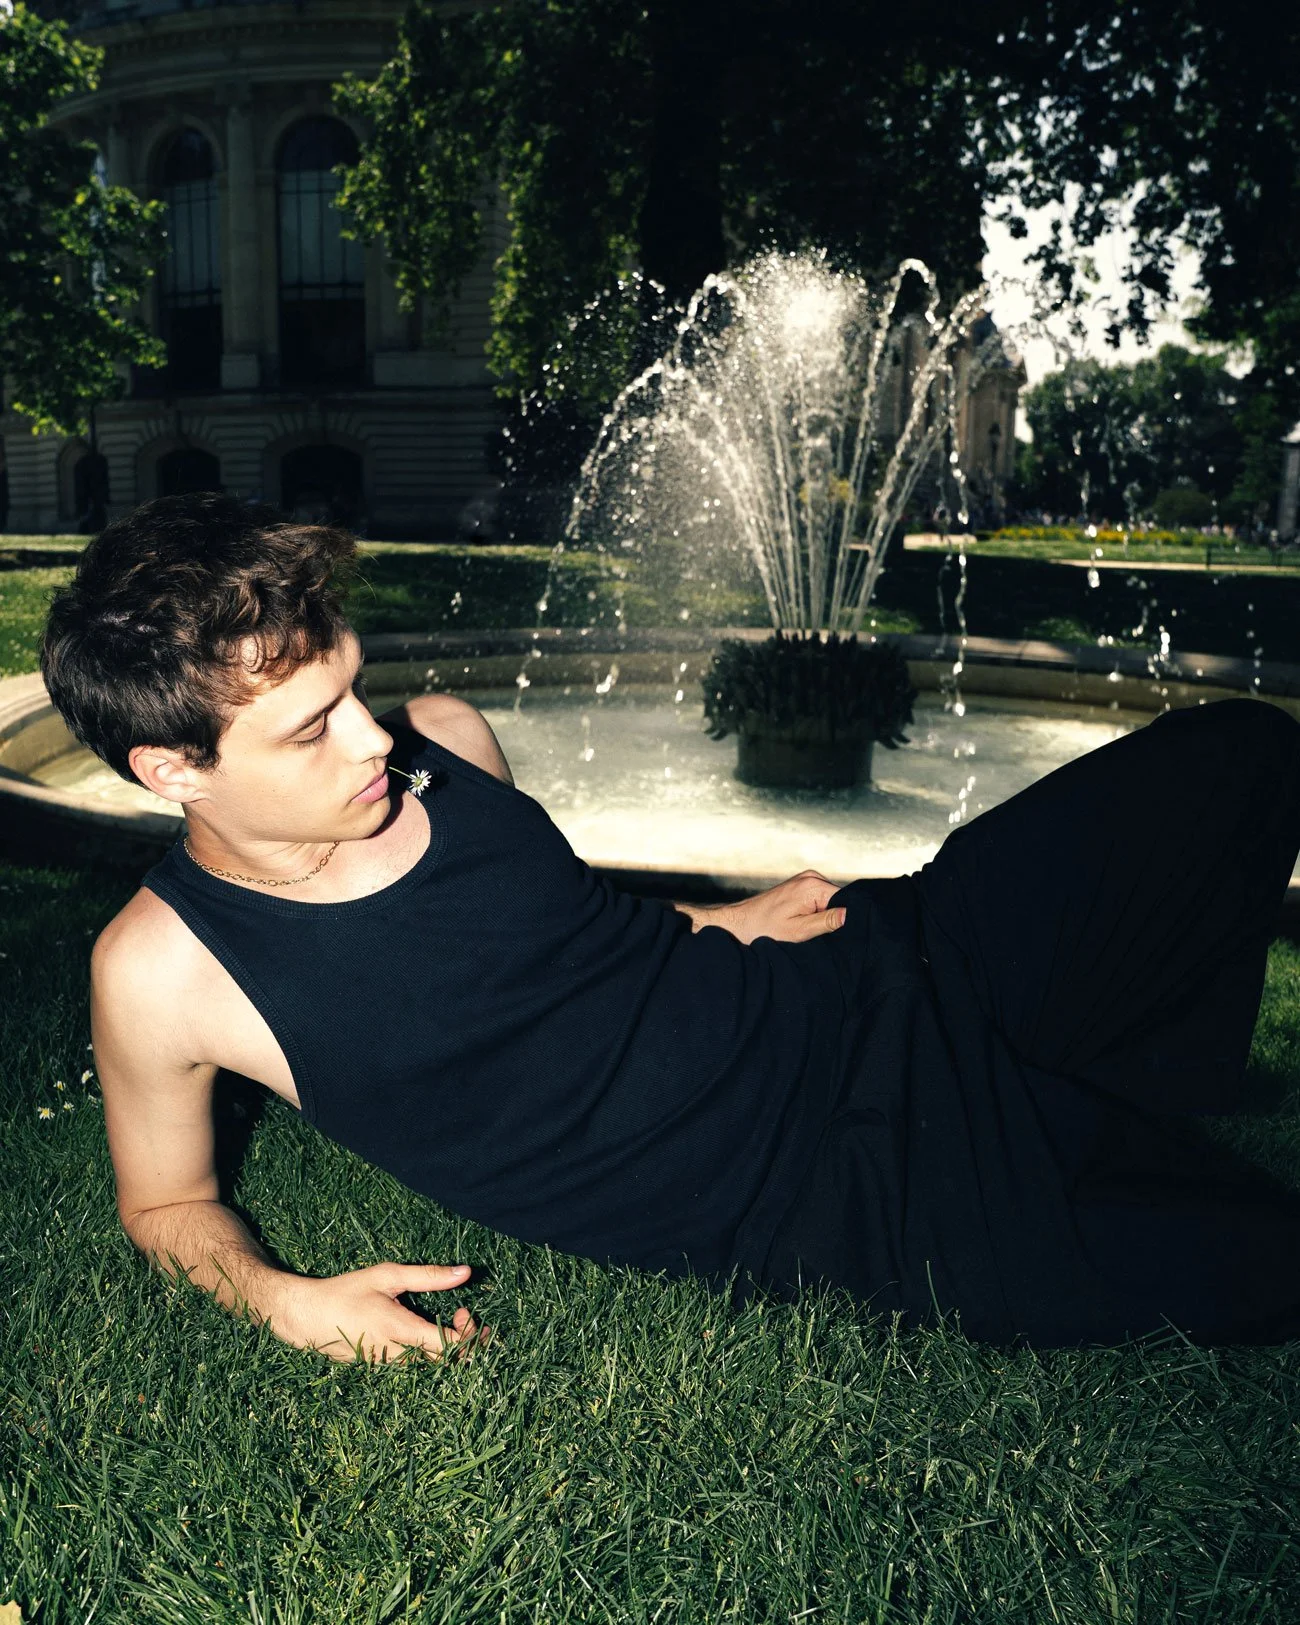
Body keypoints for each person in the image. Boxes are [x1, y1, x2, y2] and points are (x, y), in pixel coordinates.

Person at [40, 494, 1300, 1363]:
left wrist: (720, 917)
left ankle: (1122, 1076)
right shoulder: (164, 973)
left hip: (880, 959)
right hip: (834, 1177)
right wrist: (283, 1299)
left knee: (1238, 757)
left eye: (352, 686)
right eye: (311, 728)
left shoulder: (449, 746)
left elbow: (556, 926)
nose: (376, 737)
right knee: (1251, 1255)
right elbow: (166, 1205)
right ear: (170, 769)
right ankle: (1090, 1105)